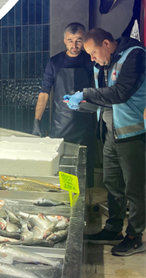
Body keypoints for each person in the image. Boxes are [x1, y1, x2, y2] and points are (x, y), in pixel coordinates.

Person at [66, 28, 146, 257]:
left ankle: (134, 237)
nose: (91, 58)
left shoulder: (135, 55)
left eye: (93, 52)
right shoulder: (101, 64)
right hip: (110, 132)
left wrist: (86, 93)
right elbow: (105, 99)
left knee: (135, 188)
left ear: (107, 44)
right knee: (112, 184)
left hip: (133, 133)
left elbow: (120, 93)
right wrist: (81, 103)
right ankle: (113, 229)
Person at [33, 23, 95, 184]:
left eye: (79, 40)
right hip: (61, 124)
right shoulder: (54, 62)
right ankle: (64, 198)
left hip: (86, 123)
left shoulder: (91, 59)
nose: (74, 45)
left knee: (85, 166)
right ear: (64, 40)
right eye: (70, 41)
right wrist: (36, 121)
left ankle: (85, 199)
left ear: (84, 40)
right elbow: (44, 93)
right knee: (63, 166)